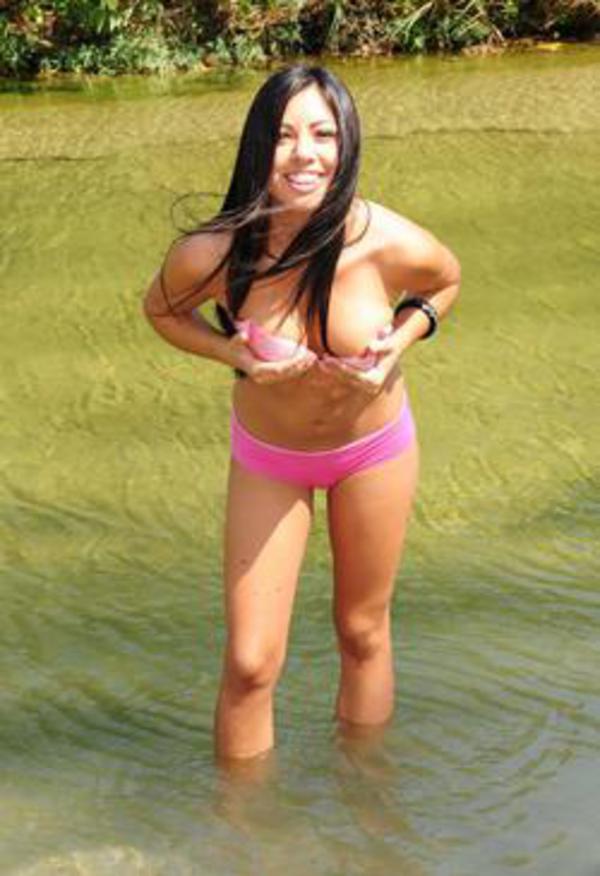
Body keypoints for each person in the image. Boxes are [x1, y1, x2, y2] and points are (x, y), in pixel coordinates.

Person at [143, 65, 460, 764]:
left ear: (347, 145)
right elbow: (160, 311)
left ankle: (368, 803)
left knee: (362, 632)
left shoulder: (384, 239)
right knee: (251, 663)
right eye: (284, 136)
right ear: (258, 146)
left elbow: (446, 281)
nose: (304, 154)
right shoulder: (217, 253)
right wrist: (232, 352)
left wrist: (402, 338)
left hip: (373, 450)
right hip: (271, 459)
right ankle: (242, 824)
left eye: (323, 134)